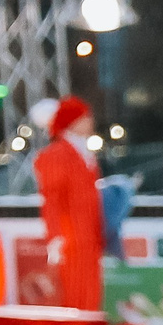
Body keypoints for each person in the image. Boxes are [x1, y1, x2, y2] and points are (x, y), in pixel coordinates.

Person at [31, 95, 106, 312]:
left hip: (88, 239)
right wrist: (56, 237)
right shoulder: (56, 155)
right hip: (72, 240)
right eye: (85, 117)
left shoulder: (84, 154)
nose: (90, 121)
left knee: (90, 297)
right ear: (71, 122)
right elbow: (51, 199)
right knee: (76, 298)